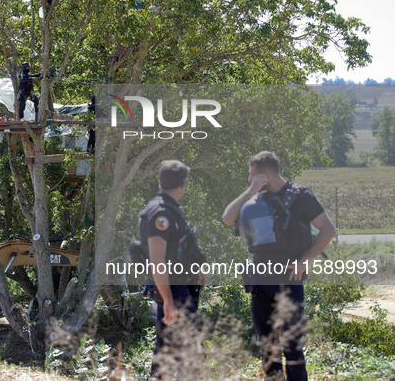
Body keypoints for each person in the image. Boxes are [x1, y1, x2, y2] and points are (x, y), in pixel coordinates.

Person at [222, 151, 336, 381]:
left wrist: (304, 261)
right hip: (260, 282)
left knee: (292, 347)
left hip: (288, 282)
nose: (248, 179)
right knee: (267, 347)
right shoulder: (255, 197)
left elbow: (328, 229)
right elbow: (227, 218)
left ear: (264, 175)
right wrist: (250, 191)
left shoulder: (301, 196)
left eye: (251, 175)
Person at [139, 160, 205, 378]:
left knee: (167, 345)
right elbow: (158, 261)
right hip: (172, 288)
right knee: (189, 342)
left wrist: (196, 270)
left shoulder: (169, 209)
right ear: (184, 184)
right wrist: (168, 300)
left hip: (177, 285)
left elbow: (179, 250)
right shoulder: (161, 213)